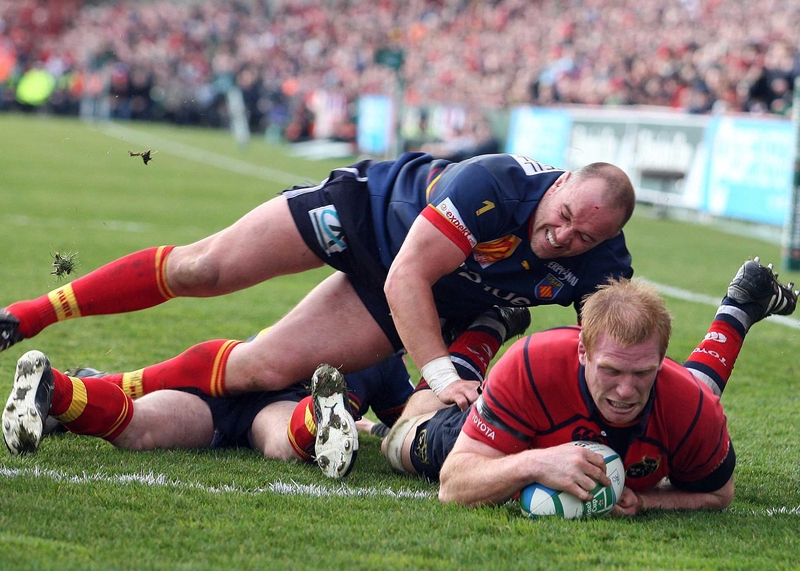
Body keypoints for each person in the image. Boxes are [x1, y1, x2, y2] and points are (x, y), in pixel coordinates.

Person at [0, 152, 634, 463]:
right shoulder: (494, 184)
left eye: (584, 237)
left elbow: (609, 352)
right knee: (205, 267)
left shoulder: (603, 267)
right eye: (565, 216)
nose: (564, 237)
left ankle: (79, 390)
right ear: (561, 184)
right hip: (368, 218)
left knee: (257, 370)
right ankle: (27, 315)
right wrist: (441, 375)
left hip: (412, 299)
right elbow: (408, 272)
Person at [380, 258, 797, 514]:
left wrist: (647, 500)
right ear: (583, 352)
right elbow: (453, 486)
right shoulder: (530, 365)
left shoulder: (688, 400)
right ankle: (491, 323)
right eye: (611, 370)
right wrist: (534, 463)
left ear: (662, 361)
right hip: (513, 434)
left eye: (643, 373)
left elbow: (718, 495)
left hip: (676, 399)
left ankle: (738, 308)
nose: (626, 390)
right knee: (399, 442)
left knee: (692, 398)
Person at [4, 304, 531, 478]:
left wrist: (368, 425)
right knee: (280, 438)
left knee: (140, 429)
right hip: (267, 399)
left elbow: (391, 423)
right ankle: (318, 420)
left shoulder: (340, 313)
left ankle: (60, 390)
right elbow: (411, 420)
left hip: (225, 387)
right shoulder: (390, 366)